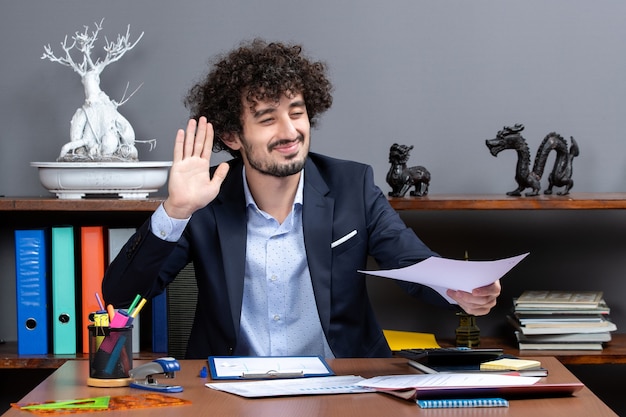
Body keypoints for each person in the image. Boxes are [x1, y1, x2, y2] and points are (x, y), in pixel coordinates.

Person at [102, 39, 500, 359]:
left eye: (297, 112)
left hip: (342, 387)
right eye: (267, 118)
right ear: (231, 137)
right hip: (228, 391)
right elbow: (121, 296)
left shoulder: (351, 185)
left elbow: (412, 263)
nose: (290, 130)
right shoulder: (204, 198)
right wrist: (176, 211)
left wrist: (460, 291)